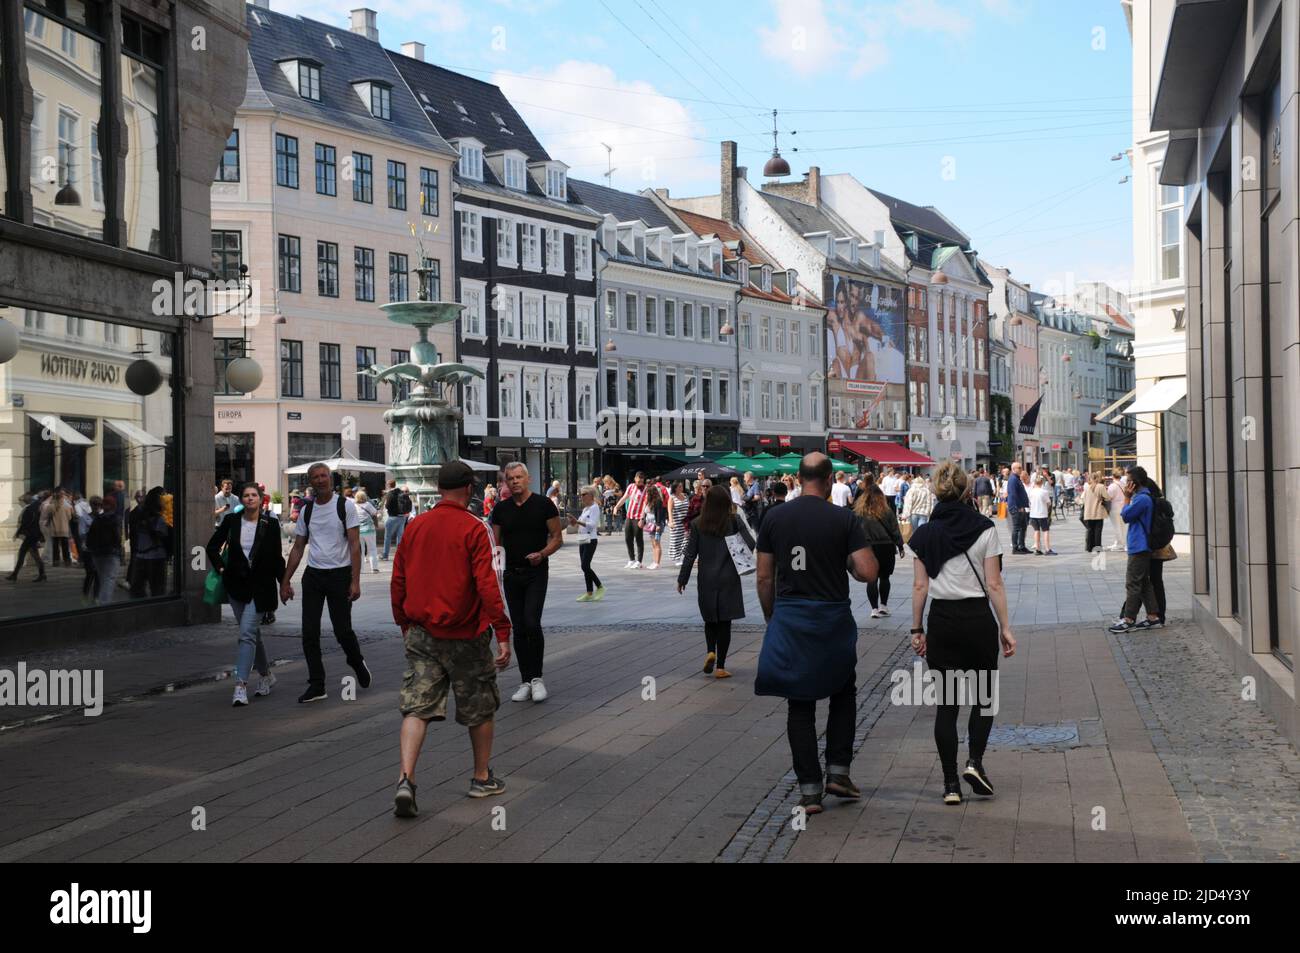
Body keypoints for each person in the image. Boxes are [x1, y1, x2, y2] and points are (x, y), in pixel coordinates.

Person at [755, 453, 878, 816]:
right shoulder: (844, 518)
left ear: (798, 477)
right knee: (843, 692)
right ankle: (838, 772)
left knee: (799, 702)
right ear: (827, 481)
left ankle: (809, 792)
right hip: (832, 618)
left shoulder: (774, 517)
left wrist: (772, 616)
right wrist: (847, 565)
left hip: (791, 617)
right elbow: (869, 572)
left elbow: (763, 576)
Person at [392, 461, 512, 814]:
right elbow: (488, 585)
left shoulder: (415, 526)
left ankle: (406, 779)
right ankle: (480, 778)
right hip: (466, 634)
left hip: (422, 632)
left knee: (417, 707)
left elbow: (398, 577)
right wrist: (502, 632)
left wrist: (403, 621)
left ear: (439, 487)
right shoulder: (476, 528)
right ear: (469, 489)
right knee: (480, 705)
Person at [908, 461, 1016, 805]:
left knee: (947, 705)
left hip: (942, 621)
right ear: (968, 491)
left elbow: (920, 586)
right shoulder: (985, 529)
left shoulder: (923, 535)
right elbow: (994, 583)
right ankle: (975, 763)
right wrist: (1005, 628)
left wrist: (917, 628)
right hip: (977, 621)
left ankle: (951, 784)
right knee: (984, 698)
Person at [280, 462, 370, 703]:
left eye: (324, 476)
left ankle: (356, 661)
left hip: (340, 575)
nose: (320, 480)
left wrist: (355, 581)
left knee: (342, 631)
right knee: (309, 633)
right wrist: (285, 581)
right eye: (315, 477)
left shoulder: (345, 506)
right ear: (310, 481)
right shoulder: (307, 510)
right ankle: (317, 685)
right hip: (314, 576)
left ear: (330, 479)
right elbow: (298, 547)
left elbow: (354, 545)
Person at [207, 482, 285, 706]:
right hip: (236, 586)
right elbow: (212, 547)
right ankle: (267, 675)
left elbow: (276, 558)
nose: (250, 498)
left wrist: (284, 583)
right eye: (246, 495)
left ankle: (240, 685)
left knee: (246, 634)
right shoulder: (231, 521)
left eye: (254, 495)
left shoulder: (270, 524)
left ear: (261, 499)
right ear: (241, 500)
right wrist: (221, 568)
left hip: (261, 587)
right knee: (251, 634)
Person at [491, 461, 563, 703]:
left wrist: (542, 554)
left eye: (519, 477)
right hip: (511, 574)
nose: (514, 481)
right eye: (510, 478)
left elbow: (557, 537)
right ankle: (525, 680)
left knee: (532, 622)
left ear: (528, 478)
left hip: (536, 572)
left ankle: (537, 678)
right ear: (506, 482)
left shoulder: (543, 505)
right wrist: (494, 573)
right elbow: (496, 544)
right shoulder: (501, 509)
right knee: (519, 627)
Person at [677, 485, 754, 679]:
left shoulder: (697, 523)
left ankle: (710, 651)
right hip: (729, 577)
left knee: (710, 619)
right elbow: (751, 544)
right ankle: (720, 666)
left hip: (706, 577)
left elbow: (689, 554)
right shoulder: (734, 521)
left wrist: (682, 578)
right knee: (725, 622)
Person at [1109, 466, 1163, 633]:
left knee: (1132, 583)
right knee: (1144, 583)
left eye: (1129, 481)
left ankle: (1129, 619)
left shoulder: (1141, 499)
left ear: (1135, 483)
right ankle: (1153, 617)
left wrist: (1126, 498)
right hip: (1141, 545)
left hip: (1139, 546)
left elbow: (1125, 516)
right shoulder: (1143, 497)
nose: (1126, 484)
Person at [855, 483, 905, 619]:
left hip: (867, 547)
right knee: (885, 577)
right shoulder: (886, 511)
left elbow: (855, 531)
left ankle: (874, 609)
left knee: (871, 578)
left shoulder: (859, 512)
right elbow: (895, 530)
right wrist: (900, 545)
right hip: (886, 547)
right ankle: (883, 606)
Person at [84, 496, 123, 605]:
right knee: (109, 578)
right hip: (111, 553)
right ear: (114, 506)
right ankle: (104, 602)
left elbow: (89, 537)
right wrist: (118, 548)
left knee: (102, 578)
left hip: (97, 553)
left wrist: (91, 549)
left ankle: (102, 599)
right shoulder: (116, 518)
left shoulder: (97, 519)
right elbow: (118, 536)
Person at [569, 486, 605, 602]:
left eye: (584, 494)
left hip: (591, 539)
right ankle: (589, 592)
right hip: (583, 538)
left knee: (585, 565)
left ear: (591, 495)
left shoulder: (595, 507)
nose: (582, 497)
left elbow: (592, 525)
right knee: (585, 567)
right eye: (581, 494)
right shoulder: (585, 509)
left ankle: (600, 587)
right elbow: (578, 524)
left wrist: (578, 521)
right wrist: (573, 522)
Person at [6, 491, 49, 583]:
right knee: (34, 555)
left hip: (31, 535)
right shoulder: (39, 506)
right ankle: (42, 574)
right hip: (34, 535)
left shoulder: (31, 508)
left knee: (23, 553)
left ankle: (15, 574)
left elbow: (25, 523)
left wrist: (19, 533)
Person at [613, 472, 649, 569]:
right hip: (629, 516)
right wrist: (616, 507)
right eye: (638, 478)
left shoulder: (646, 489)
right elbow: (624, 498)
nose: (640, 480)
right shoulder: (631, 487)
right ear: (635, 478)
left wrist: (642, 518)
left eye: (642, 478)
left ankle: (639, 561)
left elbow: (645, 505)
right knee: (628, 539)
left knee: (638, 539)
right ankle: (631, 559)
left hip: (638, 517)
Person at [42, 488, 74, 567]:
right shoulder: (67, 507)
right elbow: (70, 517)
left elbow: (45, 515)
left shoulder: (50, 507)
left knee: (55, 547)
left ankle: (56, 562)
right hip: (64, 529)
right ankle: (67, 561)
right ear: (62, 498)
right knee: (65, 547)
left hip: (54, 529)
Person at [1027, 472, 1055, 555]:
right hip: (1042, 514)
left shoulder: (1031, 492)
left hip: (1033, 514)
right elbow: (1048, 503)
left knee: (1036, 531)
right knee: (1045, 531)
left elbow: (1029, 502)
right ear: (1042, 482)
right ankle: (1047, 549)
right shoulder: (1044, 492)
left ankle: (1038, 549)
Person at [1005, 462, 1030, 554]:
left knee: (1023, 527)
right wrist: (1018, 507)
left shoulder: (1017, 478)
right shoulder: (1013, 479)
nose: (1020, 469)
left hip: (1020, 507)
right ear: (1013, 469)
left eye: (1021, 467)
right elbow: (1013, 494)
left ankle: (1022, 546)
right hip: (1016, 507)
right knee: (1016, 528)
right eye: (1018, 468)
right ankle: (1015, 548)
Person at [1081, 471, 1108, 552]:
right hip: (1098, 511)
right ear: (1097, 478)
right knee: (1098, 531)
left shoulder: (1086, 487)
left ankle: (1089, 547)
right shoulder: (1101, 486)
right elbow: (1107, 497)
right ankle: (1097, 547)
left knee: (1090, 530)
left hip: (1088, 512)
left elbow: (1083, 499)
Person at [381, 480, 408, 560]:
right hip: (402, 517)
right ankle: (400, 555)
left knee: (387, 537)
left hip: (392, 517)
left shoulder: (390, 494)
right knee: (400, 536)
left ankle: (385, 555)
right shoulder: (401, 492)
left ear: (389, 485)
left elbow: (387, 505)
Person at [642, 484, 667, 570]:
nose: (646, 494)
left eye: (648, 493)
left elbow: (659, 514)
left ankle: (657, 562)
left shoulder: (657, 501)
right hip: (650, 525)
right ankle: (654, 561)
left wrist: (658, 524)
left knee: (657, 543)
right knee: (653, 544)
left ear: (651, 493)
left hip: (656, 525)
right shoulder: (649, 501)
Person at [354, 490, 380, 573]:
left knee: (360, 550)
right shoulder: (368, 505)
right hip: (369, 530)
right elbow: (375, 513)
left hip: (358, 531)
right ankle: (374, 568)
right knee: (372, 549)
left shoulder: (354, 506)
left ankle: (360, 569)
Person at [666, 481, 690, 566]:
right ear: (675, 488)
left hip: (686, 522)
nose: (681, 488)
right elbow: (669, 511)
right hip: (677, 522)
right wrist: (671, 522)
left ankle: (682, 555)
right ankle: (677, 558)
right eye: (679, 487)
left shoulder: (685, 496)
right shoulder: (672, 497)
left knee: (686, 540)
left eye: (681, 486)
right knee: (676, 540)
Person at [1106, 469, 1127, 550]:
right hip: (1123, 506)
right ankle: (1123, 543)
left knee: (1116, 526)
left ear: (1113, 476)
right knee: (1122, 526)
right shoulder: (1123, 484)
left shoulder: (1112, 486)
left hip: (1115, 507)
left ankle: (1118, 543)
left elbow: (1109, 497)